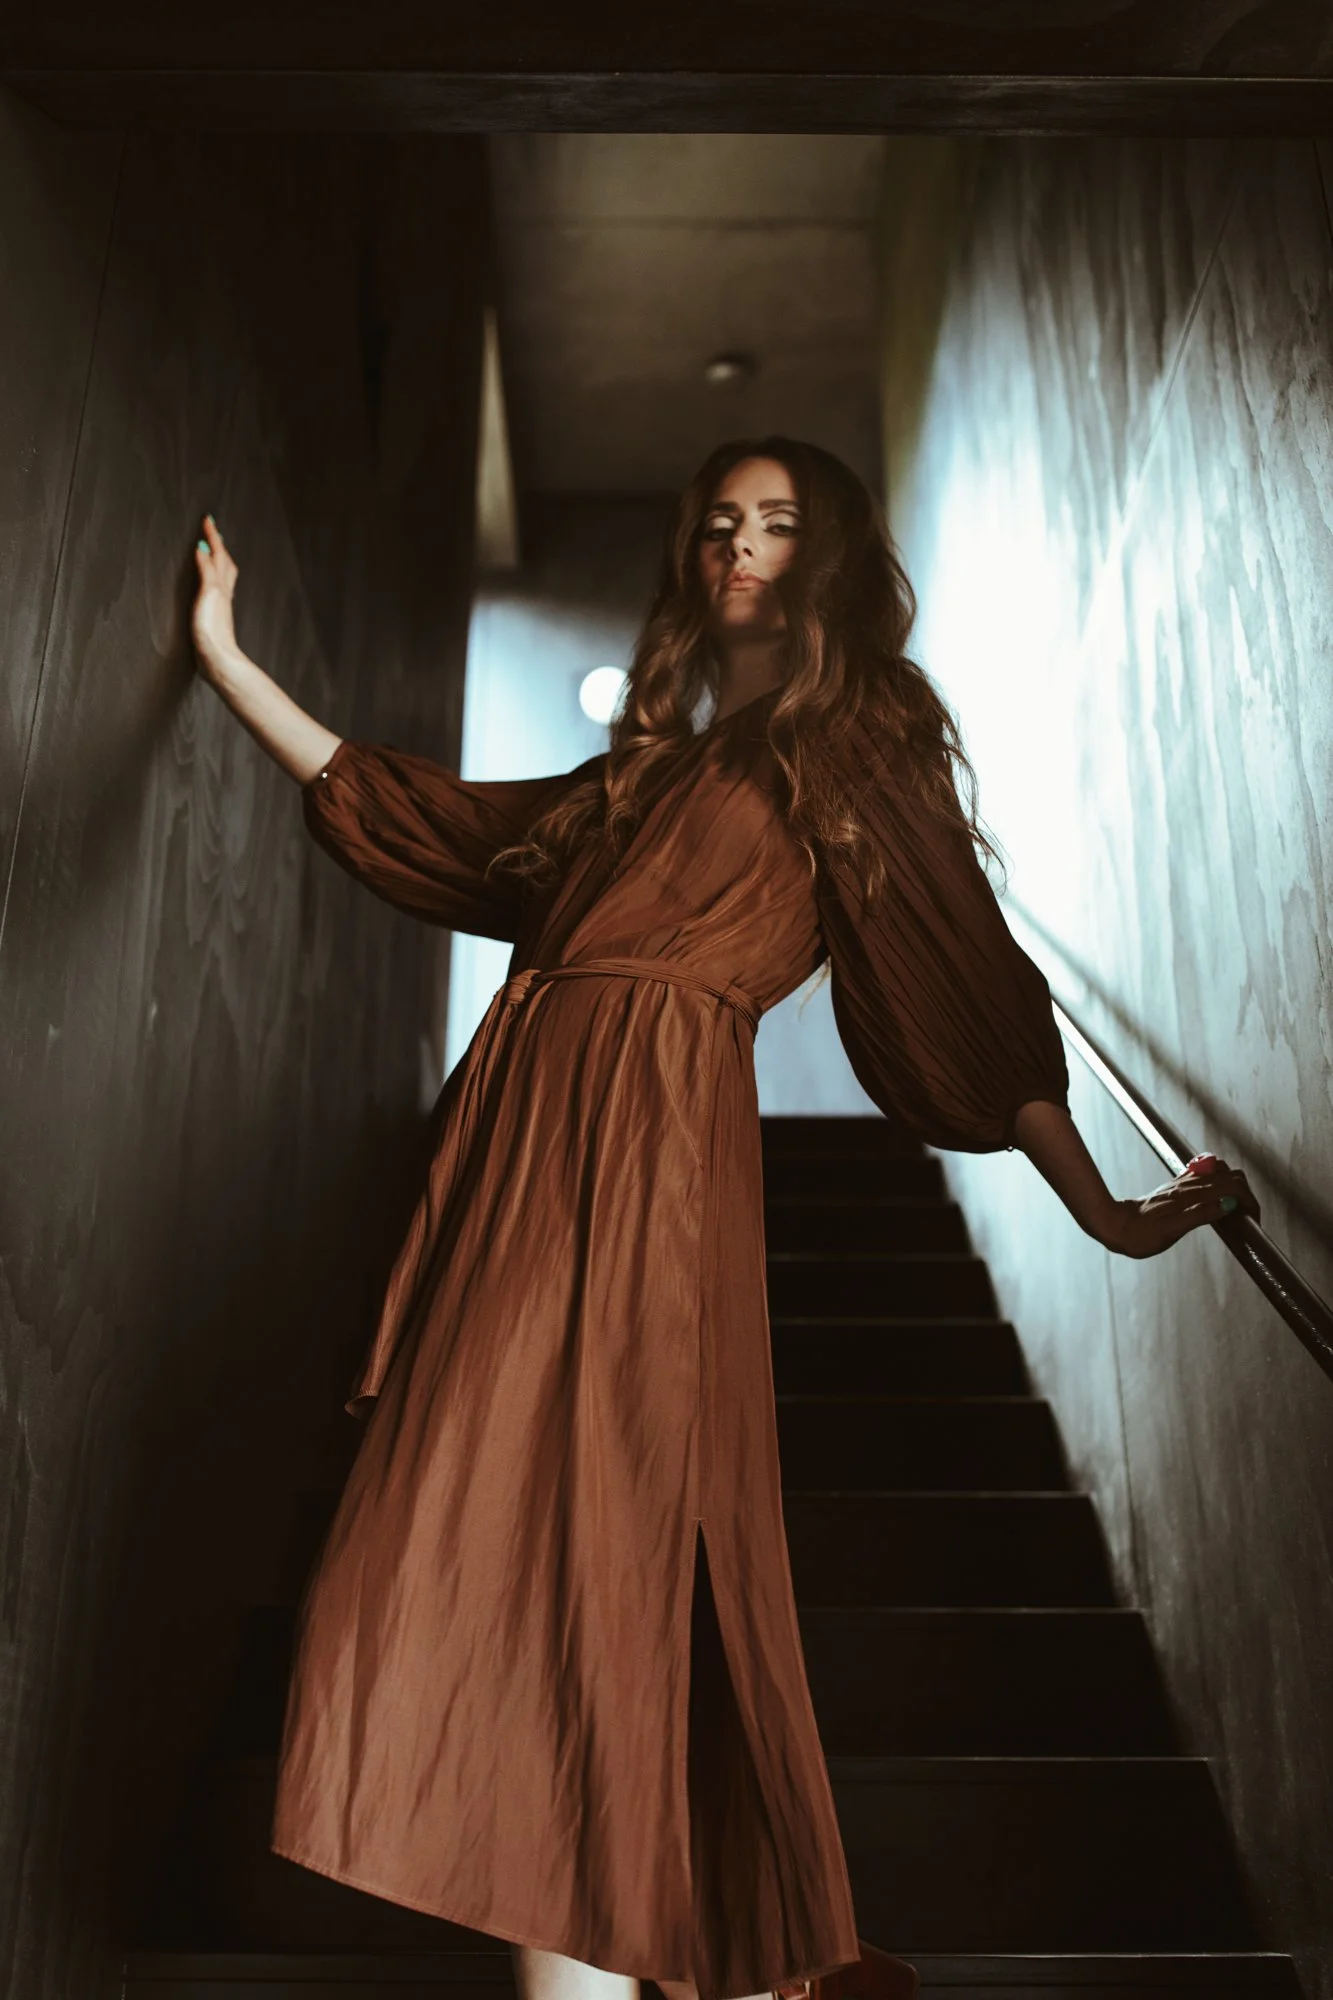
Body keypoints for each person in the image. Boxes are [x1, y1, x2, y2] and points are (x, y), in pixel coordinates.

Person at [189, 436, 1258, 2000]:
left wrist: (1099, 1205)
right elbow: (423, 821)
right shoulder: (639, 775)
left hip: (656, 1148)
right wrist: (226, 658)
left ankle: (685, 1947)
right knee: (439, 1549)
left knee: (613, 1546)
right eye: (717, 522)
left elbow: (963, 971)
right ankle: (615, 1953)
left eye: (776, 522)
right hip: (519, 1149)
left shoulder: (857, 741)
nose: (737, 545)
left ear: (827, 552)